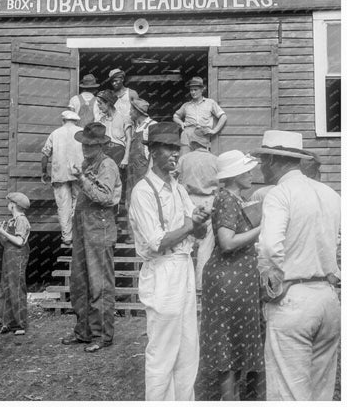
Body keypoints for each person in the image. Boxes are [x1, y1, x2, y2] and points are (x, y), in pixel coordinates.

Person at [253, 130, 341, 401]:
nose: (260, 167)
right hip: (328, 297)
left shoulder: (280, 194)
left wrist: (272, 281)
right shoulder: (330, 194)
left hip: (293, 297)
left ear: (271, 161)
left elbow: (269, 246)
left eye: (262, 161)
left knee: (288, 392)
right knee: (320, 390)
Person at [129, 122, 210, 401]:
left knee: (188, 348)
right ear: (153, 151)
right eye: (168, 149)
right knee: (163, 351)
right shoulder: (143, 191)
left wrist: (199, 221)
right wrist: (189, 226)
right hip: (162, 271)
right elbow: (157, 241)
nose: (174, 154)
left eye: (177, 148)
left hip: (184, 265)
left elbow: (196, 231)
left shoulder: (178, 187)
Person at [199, 150, 264, 401]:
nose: (251, 174)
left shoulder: (235, 198)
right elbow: (226, 242)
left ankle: (234, 398)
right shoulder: (226, 199)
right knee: (228, 345)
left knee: (235, 344)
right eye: (246, 171)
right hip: (229, 280)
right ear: (235, 176)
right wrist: (262, 228)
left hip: (237, 279)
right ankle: (229, 400)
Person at [61, 122, 122, 353]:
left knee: (100, 283)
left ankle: (102, 334)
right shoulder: (88, 163)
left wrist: (83, 180)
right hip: (83, 227)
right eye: (84, 144)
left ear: (101, 145)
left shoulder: (108, 165)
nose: (85, 148)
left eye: (91, 145)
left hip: (100, 228)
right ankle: (84, 330)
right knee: (80, 281)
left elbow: (105, 197)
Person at [177, 132, 218, 292]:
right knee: (205, 247)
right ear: (207, 144)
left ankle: (183, 286)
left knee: (185, 243)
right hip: (209, 201)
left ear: (193, 144)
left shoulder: (184, 159)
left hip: (188, 201)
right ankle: (201, 286)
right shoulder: (216, 160)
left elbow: (175, 179)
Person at [41, 110, 84, 245]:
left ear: (63, 120)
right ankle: (78, 234)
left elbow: (45, 155)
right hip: (78, 174)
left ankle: (67, 237)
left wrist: (44, 172)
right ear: (76, 121)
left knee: (63, 206)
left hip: (60, 175)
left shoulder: (55, 133)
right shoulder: (82, 132)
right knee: (79, 204)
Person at [0, 192, 31, 336]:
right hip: (8, 256)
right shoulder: (12, 221)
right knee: (5, 287)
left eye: (9, 202)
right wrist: (0, 233)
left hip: (18, 257)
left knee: (16, 288)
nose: (7, 204)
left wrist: (4, 232)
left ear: (14, 205)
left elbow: (20, 242)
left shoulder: (22, 220)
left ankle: (19, 324)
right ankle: (5, 322)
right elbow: (6, 243)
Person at [125, 98, 157, 243]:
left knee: (144, 203)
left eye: (131, 110)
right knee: (130, 202)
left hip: (143, 170)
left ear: (138, 112)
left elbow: (155, 152)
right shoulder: (135, 126)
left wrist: (149, 172)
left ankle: (146, 236)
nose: (129, 112)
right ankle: (134, 236)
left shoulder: (152, 125)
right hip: (132, 171)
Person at [173, 76, 227, 156]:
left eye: (195, 90)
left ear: (202, 90)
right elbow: (175, 116)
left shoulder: (210, 103)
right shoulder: (186, 105)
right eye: (191, 90)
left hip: (202, 134)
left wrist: (214, 130)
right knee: (185, 158)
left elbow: (223, 116)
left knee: (201, 158)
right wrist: (181, 123)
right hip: (187, 134)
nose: (193, 92)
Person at [97, 89, 132, 168]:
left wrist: (126, 158)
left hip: (118, 152)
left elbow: (129, 139)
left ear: (108, 103)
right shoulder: (101, 120)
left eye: (100, 103)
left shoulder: (124, 117)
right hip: (104, 151)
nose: (98, 106)